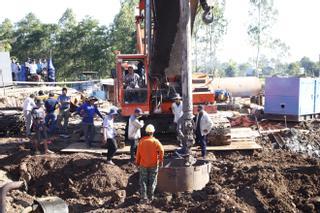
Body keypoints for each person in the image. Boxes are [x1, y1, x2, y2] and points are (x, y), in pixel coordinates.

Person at [136, 124, 164, 203]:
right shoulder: (155, 141)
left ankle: (143, 198)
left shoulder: (141, 141)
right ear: (153, 132)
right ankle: (151, 197)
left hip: (143, 165)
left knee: (143, 181)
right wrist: (161, 160)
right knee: (152, 181)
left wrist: (137, 162)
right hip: (153, 165)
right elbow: (162, 150)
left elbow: (138, 153)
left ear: (146, 132)